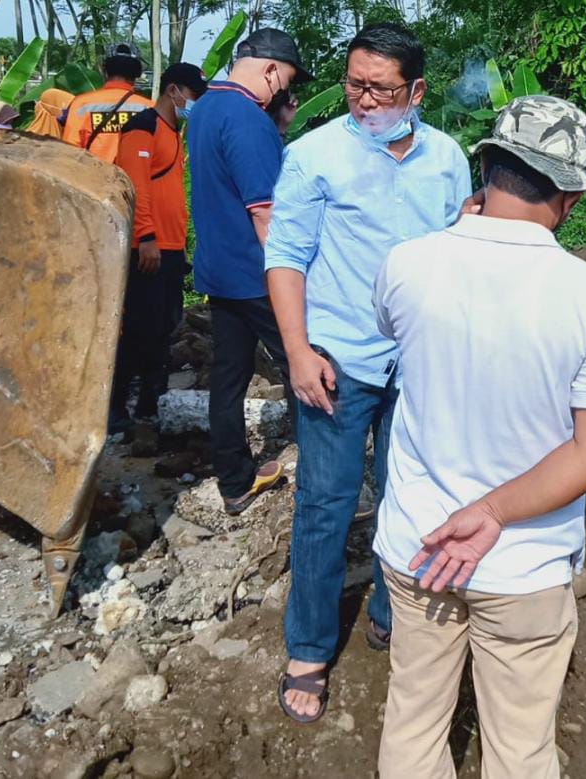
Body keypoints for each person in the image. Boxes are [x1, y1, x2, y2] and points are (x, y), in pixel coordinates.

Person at [373, 95, 586, 778]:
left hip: (418, 544)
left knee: (412, 718)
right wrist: (492, 512)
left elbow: (395, 334)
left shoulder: (407, 263)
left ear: (485, 169)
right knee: (521, 748)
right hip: (524, 563)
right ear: (572, 196)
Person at [265, 22, 472, 723]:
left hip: (417, 366)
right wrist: (297, 350)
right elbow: (287, 256)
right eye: (355, 84)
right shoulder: (314, 155)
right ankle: (309, 647)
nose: (362, 100)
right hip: (336, 361)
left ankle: (390, 611)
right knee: (325, 504)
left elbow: (456, 256)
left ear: (416, 90)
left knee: (408, 495)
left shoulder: (447, 158)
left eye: (380, 89)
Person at [186, 28, 312, 515]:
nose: (283, 89)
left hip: (219, 270)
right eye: (286, 78)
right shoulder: (247, 117)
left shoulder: (204, 109)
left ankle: (235, 481)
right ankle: (319, 476)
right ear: (269, 69)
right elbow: (265, 210)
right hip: (257, 274)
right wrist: (292, 274)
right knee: (303, 362)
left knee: (230, 375)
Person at [108, 63, 208, 433]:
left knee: (163, 327)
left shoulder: (171, 132)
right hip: (148, 248)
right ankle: (116, 409)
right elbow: (136, 188)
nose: (194, 102)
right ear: (174, 90)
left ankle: (151, 404)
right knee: (138, 329)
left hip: (169, 248)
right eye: (193, 94)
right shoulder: (143, 128)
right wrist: (145, 236)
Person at [62, 42, 154, 162]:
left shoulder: (81, 104)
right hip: (134, 179)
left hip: (92, 178)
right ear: (137, 72)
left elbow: (69, 152)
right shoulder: (149, 108)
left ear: (105, 70)